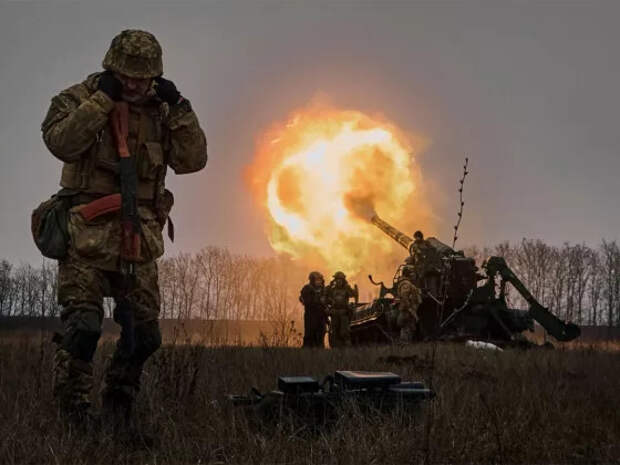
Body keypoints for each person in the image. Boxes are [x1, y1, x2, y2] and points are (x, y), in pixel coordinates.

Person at [41, 29, 208, 425]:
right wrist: (102, 101)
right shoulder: (80, 98)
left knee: (145, 336)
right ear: (112, 69)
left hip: (139, 239)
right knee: (82, 329)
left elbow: (193, 160)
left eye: (143, 77)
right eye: (127, 76)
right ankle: (73, 418)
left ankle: (118, 409)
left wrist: (181, 107)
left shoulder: (164, 111)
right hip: (87, 239)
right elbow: (61, 142)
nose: (135, 85)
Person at [325, 271, 358, 348]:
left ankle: (347, 349)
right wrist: (328, 308)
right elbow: (325, 298)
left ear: (343, 280)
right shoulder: (331, 289)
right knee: (334, 333)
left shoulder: (346, 289)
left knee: (344, 333)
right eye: (337, 279)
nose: (339, 281)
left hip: (344, 313)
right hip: (334, 313)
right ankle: (335, 349)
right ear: (335, 280)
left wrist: (352, 289)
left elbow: (354, 294)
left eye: (341, 279)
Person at [299, 271, 328, 348]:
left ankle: (320, 349)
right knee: (310, 333)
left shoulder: (324, 290)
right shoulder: (307, 288)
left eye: (320, 280)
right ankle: (308, 350)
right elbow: (307, 301)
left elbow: (328, 300)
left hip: (322, 315)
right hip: (311, 315)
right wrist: (318, 301)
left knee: (321, 333)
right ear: (312, 280)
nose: (319, 282)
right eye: (317, 280)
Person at [396, 265, 423, 342]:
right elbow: (404, 297)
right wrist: (411, 310)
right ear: (408, 274)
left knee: (410, 328)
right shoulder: (406, 284)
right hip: (407, 311)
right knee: (406, 328)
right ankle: (404, 346)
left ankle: (406, 345)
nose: (414, 275)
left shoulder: (408, 283)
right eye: (413, 273)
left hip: (409, 311)